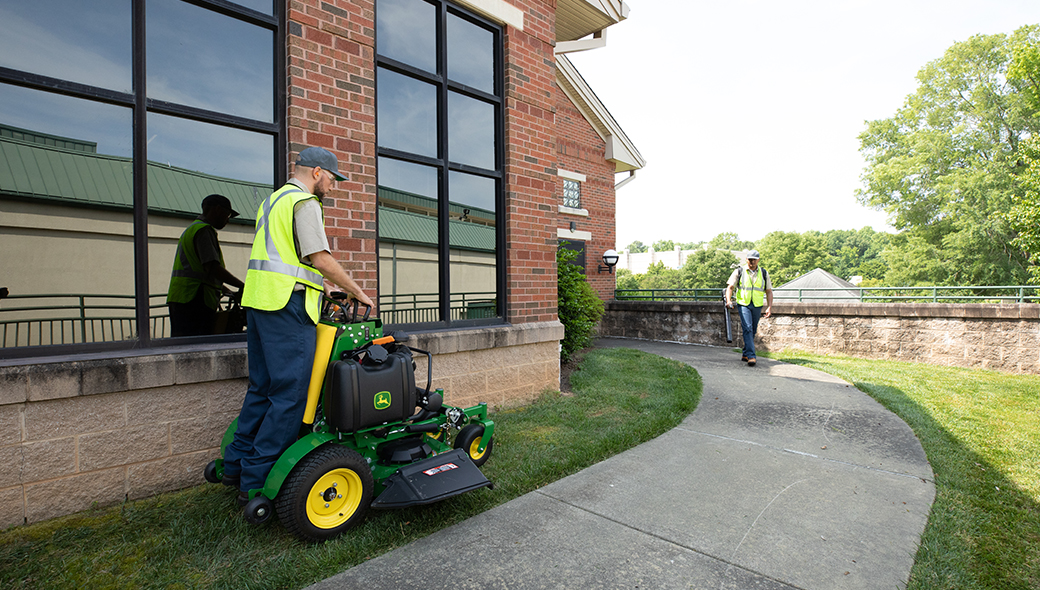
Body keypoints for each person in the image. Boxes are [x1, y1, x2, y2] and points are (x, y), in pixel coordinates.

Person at [221, 147, 375, 506]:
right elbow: (319, 257)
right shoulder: (305, 203)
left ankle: (235, 465)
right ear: (318, 173)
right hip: (287, 308)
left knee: (262, 388)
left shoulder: (273, 201)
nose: (334, 187)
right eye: (334, 179)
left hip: (260, 303)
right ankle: (257, 480)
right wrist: (357, 292)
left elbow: (285, 257)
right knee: (291, 395)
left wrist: (321, 285)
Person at [167, 194, 245, 337]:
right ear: (217, 209)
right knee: (198, 346)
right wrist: (243, 286)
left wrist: (226, 290)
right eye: (227, 215)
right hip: (194, 300)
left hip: (182, 298)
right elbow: (212, 268)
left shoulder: (191, 229)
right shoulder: (204, 231)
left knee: (182, 345)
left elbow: (201, 272)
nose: (227, 220)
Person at [725, 250, 773, 367]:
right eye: (750, 259)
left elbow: (769, 291)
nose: (752, 262)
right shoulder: (739, 271)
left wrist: (769, 307)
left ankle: (746, 353)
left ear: (758, 260)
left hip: (757, 304)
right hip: (743, 303)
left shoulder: (764, 273)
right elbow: (730, 287)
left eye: (754, 259)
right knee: (747, 328)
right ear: (746, 260)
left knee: (753, 330)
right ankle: (751, 356)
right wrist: (729, 300)